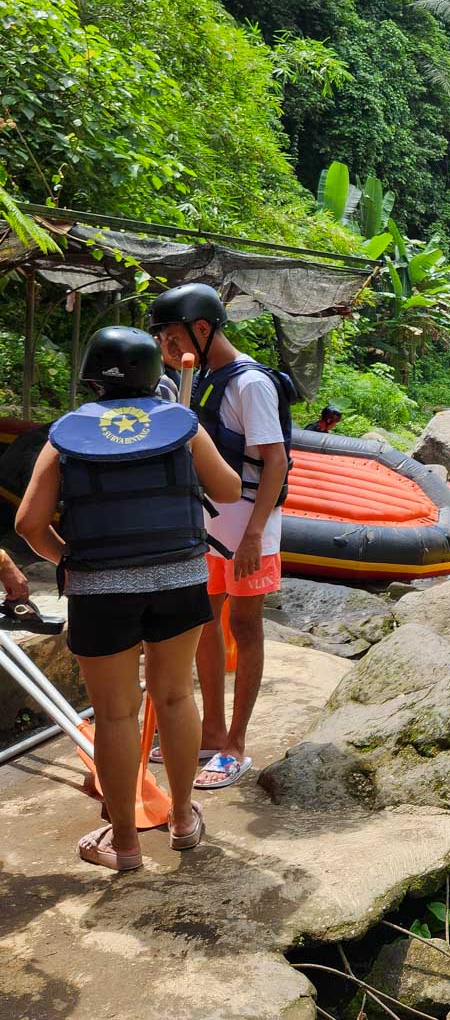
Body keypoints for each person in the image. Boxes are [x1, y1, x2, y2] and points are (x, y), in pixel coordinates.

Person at [15, 327, 241, 870]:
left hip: (100, 589)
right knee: (175, 698)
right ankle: (183, 820)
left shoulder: (64, 436)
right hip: (179, 581)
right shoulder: (181, 428)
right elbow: (229, 490)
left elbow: (28, 523)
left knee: (116, 715)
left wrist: (67, 560)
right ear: (153, 375)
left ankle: (124, 844)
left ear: (91, 377)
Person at [149, 283, 294, 790]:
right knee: (205, 620)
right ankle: (209, 730)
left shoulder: (251, 384)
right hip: (209, 524)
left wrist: (254, 535)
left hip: (249, 525)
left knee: (245, 627)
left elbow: (274, 460)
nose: (165, 349)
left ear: (202, 330)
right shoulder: (202, 376)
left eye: (170, 337)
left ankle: (236, 744)